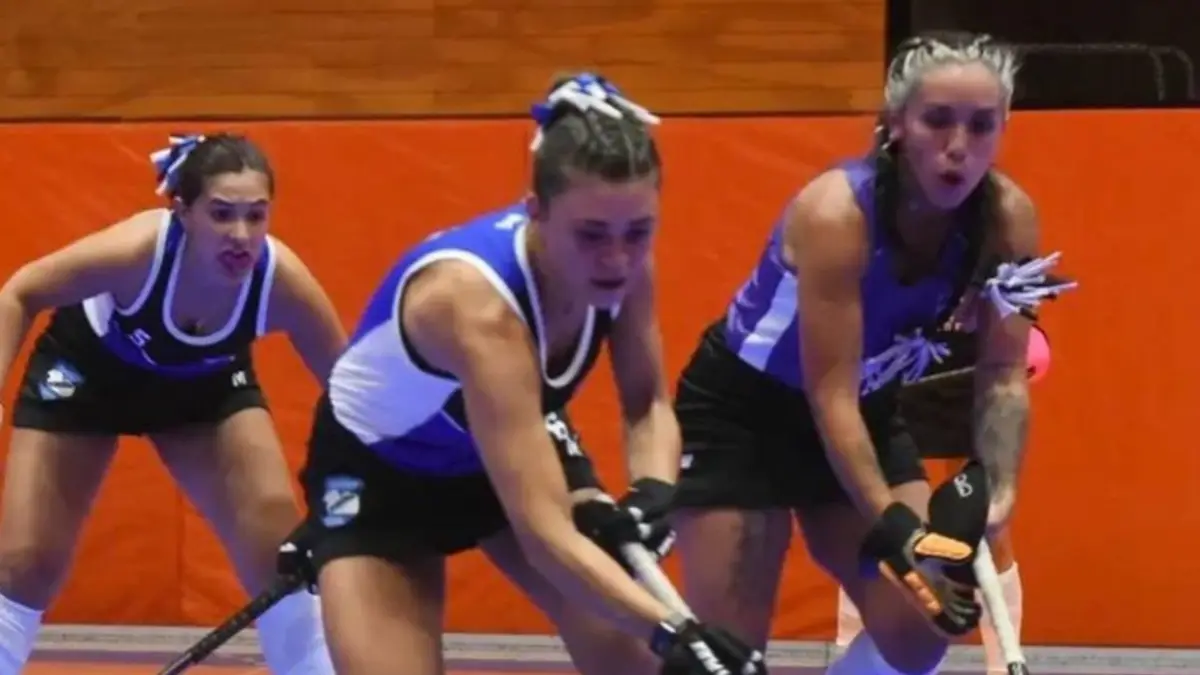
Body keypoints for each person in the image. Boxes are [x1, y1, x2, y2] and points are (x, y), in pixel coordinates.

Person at [297, 73, 765, 675]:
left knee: (635, 659)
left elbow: (646, 401)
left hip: (509, 437)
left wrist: (654, 492)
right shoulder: (476, 311)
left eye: (638, 231)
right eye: (591, 234)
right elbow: (544, 536)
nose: (617, 258)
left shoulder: (625, 267)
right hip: (384, 475)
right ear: (535, 211)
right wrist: (675, 632)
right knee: (657, 638)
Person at [669, 32, 1076, 675]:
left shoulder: (1007, 220)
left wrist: (998, 499)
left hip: (866, 407)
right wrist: (891, 522)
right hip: (744, 416)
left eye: (981, 125)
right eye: (937, 120)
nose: (958, 146)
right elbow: (828, 394)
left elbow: (1002, 372)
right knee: (729, 656)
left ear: (1003, 126)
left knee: (919, 632)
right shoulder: (838, 214)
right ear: (896, 123)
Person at [0, 133, 345, 674]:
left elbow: (351, 393)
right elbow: (21, 291)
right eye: (222, 214)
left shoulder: (282, 282)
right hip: (88, 376)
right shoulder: (138, 250)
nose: (241, 235)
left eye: (256, 215)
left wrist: (362, 485)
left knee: (278, 556)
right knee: (26, 562)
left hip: (202, 391)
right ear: (183, 212)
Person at [836, 324, 1052, 673]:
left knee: (983, 521)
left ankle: (1003, 664)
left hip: (971, 360)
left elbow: (1013, 314)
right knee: (876, 518)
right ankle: (853, 653)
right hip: (895, 357)